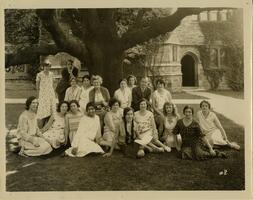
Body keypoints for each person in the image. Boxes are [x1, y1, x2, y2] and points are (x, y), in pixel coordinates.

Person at [36, 61, 56, 128]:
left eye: (48, 66)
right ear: (43, 67)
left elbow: (53, 84)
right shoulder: (39, 74)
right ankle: (41, 126)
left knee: (51, 107)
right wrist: (38, 95)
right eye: (45, 66)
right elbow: (37, 86)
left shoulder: (52, 74)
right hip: (43, 94)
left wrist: (53, 92)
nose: (47, 68)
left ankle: (50, 125)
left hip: (50, 93)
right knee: (43, 108)